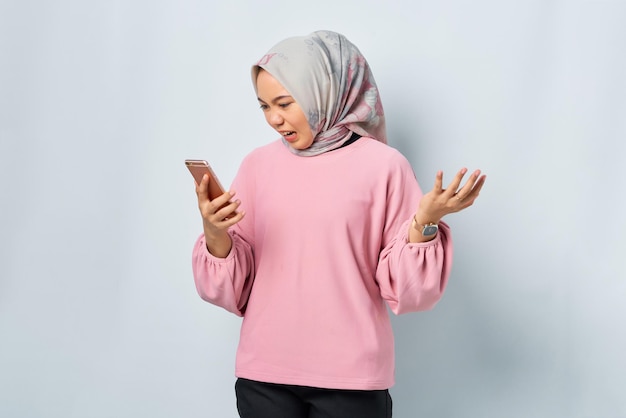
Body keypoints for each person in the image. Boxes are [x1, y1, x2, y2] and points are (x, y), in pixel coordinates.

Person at [191, 30, 485, 418]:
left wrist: (424, 223)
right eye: (264, 106)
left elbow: (410, 292)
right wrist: (215, 233)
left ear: (324, 91)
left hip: (352, 378)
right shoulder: (257, 166)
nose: (275, 119)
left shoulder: (384, 166)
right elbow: (233, 288)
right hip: (264, 374)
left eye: (285, 102)